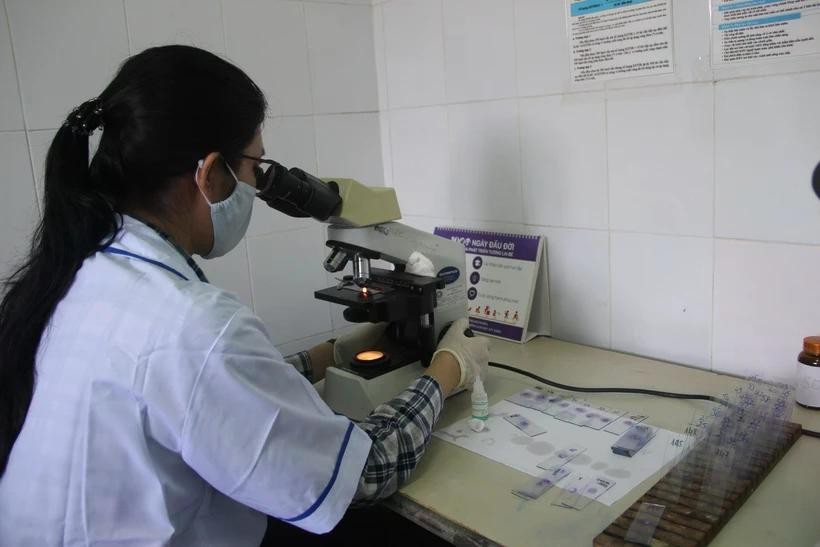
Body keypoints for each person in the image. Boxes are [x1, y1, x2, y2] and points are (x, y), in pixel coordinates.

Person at [0, 45, 489, 545]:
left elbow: (194, 397)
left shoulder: (82, 269)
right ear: (210, 175)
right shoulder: (193, 325)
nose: (258, 188)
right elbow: (369, 471)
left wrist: (323, 358)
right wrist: (446, 372)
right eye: (255, 169)